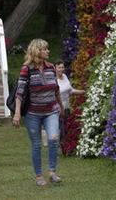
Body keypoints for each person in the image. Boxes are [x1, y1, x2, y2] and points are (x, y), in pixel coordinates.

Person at [11, 39, 63, 186]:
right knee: (36, 144)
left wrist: (61, 106)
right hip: (32, 113)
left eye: (47, 49)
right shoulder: (26, 69)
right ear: (37, 51)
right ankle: (39, 176)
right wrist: (16, 113)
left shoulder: (51, 67)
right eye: (45, 49)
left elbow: (56, 89)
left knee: (53, 138)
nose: (48, 51)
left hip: (51, 110)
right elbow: (20, 92)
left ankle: (52, 172)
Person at [55, 60, 85, 141]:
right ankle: (61, 146)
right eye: (59, 67)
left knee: (67, 127)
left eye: (62, 67)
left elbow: (70, 90)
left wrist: (82, 92)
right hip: (58, 109)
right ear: (55, 69)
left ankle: (65, 146)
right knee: (61, 129)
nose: (61, 69)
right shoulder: (54, 80)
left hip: (67, 107)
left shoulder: (64, 76)